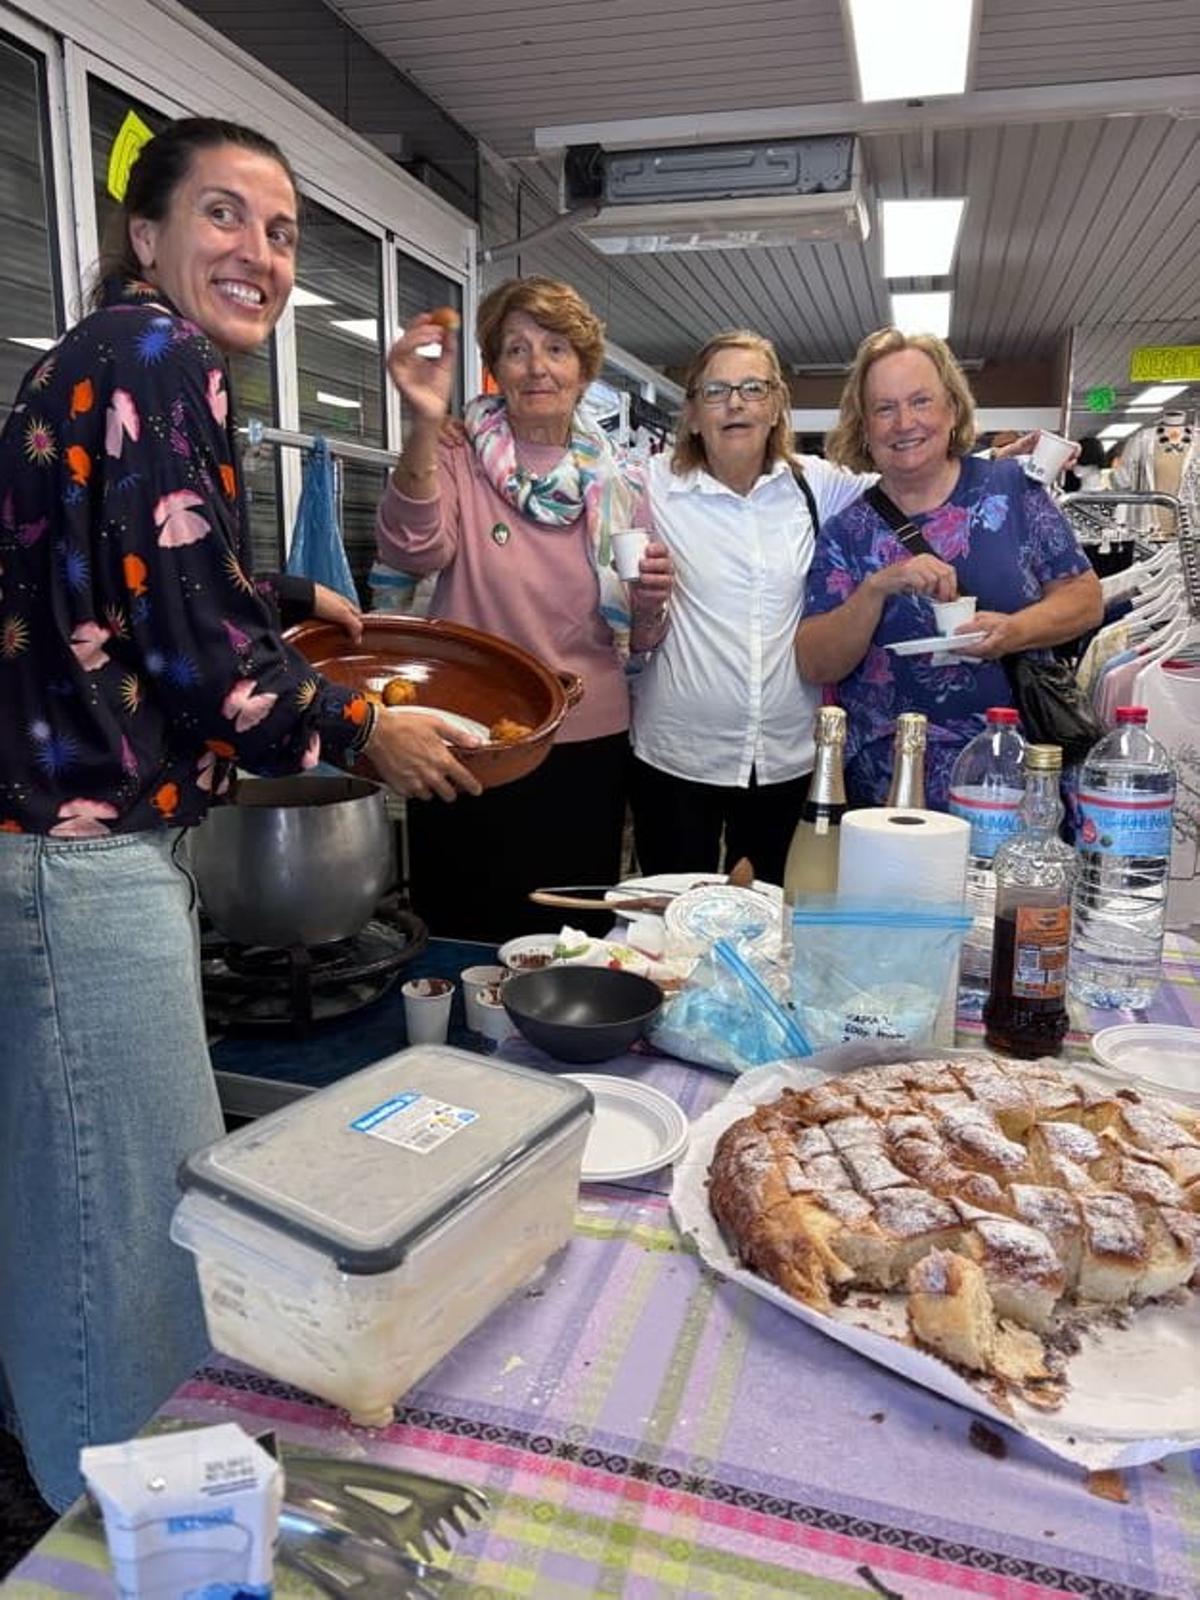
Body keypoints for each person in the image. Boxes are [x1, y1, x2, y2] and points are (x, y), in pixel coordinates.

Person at [0, 117, 479, 1513]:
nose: (260, 255)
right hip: (81, 866)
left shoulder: (96, 360)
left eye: (279, 232)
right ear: (144, 235)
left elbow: (121, 581)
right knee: (132, 1243)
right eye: (225, 216)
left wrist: (280, 601)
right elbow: (197, 662)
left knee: (60, 1210)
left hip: (46, 853)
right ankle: (132, 1530)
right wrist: (361, 728)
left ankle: (67, 1488)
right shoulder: (156, 356)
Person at [376, 275, 672, 942]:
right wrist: (423, 424)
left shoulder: (624, 480)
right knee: (461, 930)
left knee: (568, 937)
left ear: (584, 368)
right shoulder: (453, 451)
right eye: (516, 349)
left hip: (584, 737)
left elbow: (640, 637)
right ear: (495, 366)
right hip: (466, 734)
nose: (537, 366)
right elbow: (414, 546)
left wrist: (652, 602)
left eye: (556, 348)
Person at [795, 329, 1103, 809]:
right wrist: (876, 588)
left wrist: (1015, 631)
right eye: (884, 408)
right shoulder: (847, 532)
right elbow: (816, 662)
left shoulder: (1013, 491)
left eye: (921, 401)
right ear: (864, 426)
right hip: (889, 788)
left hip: (1014, 780)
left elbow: (1084, 600)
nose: (904, 422)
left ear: (952, 409)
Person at [630, 330, 876, 884]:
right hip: (676, 754)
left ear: (776, 406)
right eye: (715, 391)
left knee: (771, 918)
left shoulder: (816, 486)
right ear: (693, 414)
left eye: (751, 388)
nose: (735, 402)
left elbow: (910, 486)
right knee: (669, 921)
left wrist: (995, 464)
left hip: (788, 757)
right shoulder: (651, 486)